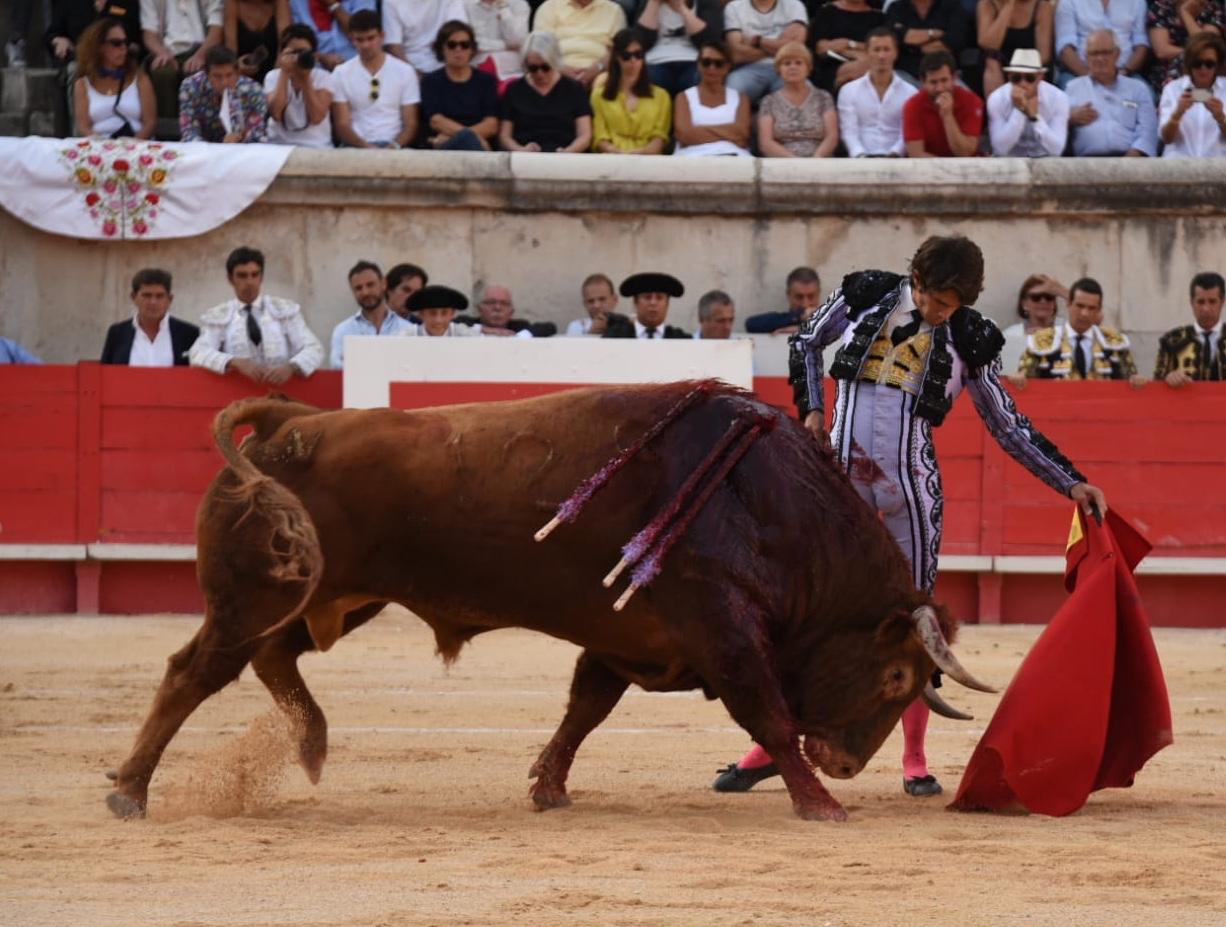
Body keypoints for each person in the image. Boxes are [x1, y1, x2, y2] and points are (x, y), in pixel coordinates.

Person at [713, 235, 1109, 797]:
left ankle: (915, 757)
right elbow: (804, 343)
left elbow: (1007, 424)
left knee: (916, 622)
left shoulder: (970, 336)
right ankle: (768, 748)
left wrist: (1069, 479)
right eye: (930, 299)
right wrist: (812, 410)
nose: (935, 312)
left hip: (912, 489)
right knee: (807, 610)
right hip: (840, 482)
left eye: (948, 305)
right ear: (915, 280)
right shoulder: (864, 293)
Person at [189, 245, 324, 383]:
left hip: (282, 393)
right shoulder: (219, 316)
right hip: (236, 395)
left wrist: (291, 367)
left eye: (255, 274)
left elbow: (314, 349)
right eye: (242, 276)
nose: (249, 282)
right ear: (230, 279)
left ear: (261, 277)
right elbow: (197, 353)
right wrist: (234, 362)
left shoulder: (285, 311)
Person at [1016, 277, 1142, 382]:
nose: (1084, 313)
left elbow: (1130, 378)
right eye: (1080, 306)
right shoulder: (1042, 340)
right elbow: (1025, 380)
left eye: (1092, 308)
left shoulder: (1115, 342)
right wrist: (1020, 379)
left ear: (1099, 310)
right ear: (1068, 304)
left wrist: (1135, 380)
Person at [331, 9, 420, 149]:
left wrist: (394, 146)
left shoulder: (405, 71)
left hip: (395, 147)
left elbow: (411, 123)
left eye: (371, 38)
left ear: (382, 36)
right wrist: (367, 148)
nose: (365, 45)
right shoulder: (341, 73)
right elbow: (341, 124)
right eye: (360, 40)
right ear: (352, 39)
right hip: (355, 147)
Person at [1065, 29, 1158, 157]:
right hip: (1086, 164)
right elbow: (1056, 127)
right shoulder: (1073, 88)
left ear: (1117, 54)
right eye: (1094, 53)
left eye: (1106, 52)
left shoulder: (1137, 88)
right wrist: (1070, 117)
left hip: (1131, 162)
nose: (1100, 58)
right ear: (1086, 57)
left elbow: (1148, 130)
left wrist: (1132, 157)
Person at [499, 31, 593, 152]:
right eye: (533, 68)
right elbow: (504, 136)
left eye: (545, 67)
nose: (540, 74)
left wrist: (568, 152)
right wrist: (521, 150)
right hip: (526, 160)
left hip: (565, 159)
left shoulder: (574, 89)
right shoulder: (514, 90)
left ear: (554, 62)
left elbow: (585, 135)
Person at [837, 27, 918, 158]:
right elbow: (849, 132)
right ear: (867, 53)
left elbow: (906, 132)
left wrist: (895, 154)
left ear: (895, 53)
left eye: (886, 49)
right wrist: (860, 156)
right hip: (859, 161)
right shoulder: (848, 91)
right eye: (876, 50)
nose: (881, 56)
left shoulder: (910, 92)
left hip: (898, 161)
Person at [420, 20, 500, 150]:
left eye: (464, 45)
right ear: (441, 48)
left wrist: (463, 137)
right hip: (449, 149)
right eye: (452, 45)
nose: (458, 49)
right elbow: (436, 121)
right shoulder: (431, 81)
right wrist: (474, 138)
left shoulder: (486, 81)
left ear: (472, 49)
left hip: (450, 139)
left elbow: (491, 125)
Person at [591, 27, 672, 153]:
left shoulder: (661, 96)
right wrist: (618, 153)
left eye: (638, 55)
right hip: (611, 160)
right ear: (617, 57)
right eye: (626, 56)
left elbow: (659, 137)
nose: (633, 60)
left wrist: (641, 153)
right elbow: (600, 137)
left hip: (649, 161)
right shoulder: (598, 96)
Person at [72, 17, 157, 139]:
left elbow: (150, 123)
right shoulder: (82, 84)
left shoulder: (140, 79)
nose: (123, 48)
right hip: (99, 145)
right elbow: (84, 127)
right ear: (99, 46)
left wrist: (132, 144)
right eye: (116, 43)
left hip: (136, 144)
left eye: (126, 43)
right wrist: (103, 144)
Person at [142, 0, 224, 122]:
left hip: (202, 49)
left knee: (198, 75)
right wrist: (162, 53)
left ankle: (199, 129)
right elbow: (149, 35)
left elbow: (216, 31)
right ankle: (166, 131)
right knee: (162, 73)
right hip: (167, 50)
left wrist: (201, 55)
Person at [101, 268, 200, 366]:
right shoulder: (117, 333)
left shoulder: (189, 334)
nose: (153, 302)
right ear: (133, 297)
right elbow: (105, 374)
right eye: (147, 295)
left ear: (170, 299)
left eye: (160, 296)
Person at [757, 42, 838, 158]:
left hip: (820, 162)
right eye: (786, 63)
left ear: (808, 68)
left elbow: (832, 137)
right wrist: (795, 162)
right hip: (783, 164)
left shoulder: (823, 97)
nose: (792, 67)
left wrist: (816, 160)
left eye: (799, 63)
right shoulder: (769, 101)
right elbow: (766, 143)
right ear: (779, 70)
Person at [672, 39, 752, 156]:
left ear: (728, 67)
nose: (712, 68)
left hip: (734, 158)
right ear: (698, 64)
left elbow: (742, 134)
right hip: (692, 160)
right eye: (706, 62)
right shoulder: (683, 97)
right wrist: (729, 132)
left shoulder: (741, 99)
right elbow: (684, 135)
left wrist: (698, 132)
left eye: (718, 63)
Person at [330, 260, 414, 368]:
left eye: (370, 285)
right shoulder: (343, 331)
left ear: (383, 284)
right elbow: (338, 371)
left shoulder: (407, 329)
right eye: (358, 288)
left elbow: (411, 369)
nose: (365, 292)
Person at [986, 47, 1068, 157]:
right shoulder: (997, 99)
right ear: (1009, 77)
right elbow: (1000, 148)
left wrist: (1035, 117)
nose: (1023, 84)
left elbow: (1057, 149)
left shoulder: (1058, 98)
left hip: (1046, 160)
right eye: (1016, 78)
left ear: (1040, 78)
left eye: (1029, 78)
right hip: (1009, 161)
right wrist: (1020, 109)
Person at [722, 0, 808, 105]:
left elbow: (795, 48)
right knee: (732, 89)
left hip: (787, 67)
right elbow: (736, 55)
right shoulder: (734, 7)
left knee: (804, 93)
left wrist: (758, 41)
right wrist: (780, 47)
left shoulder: (794, 5)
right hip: (748, 69)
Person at [264, 23, 336, 147]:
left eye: (303, 52)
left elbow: (316, 117)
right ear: (282, 53)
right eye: (294, 52)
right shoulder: (273, 76)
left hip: (317, 145)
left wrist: (306, 78)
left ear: (314, 54)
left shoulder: (323, 77)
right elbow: (276, 113)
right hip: (279, 144)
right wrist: (284, 73)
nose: (298, 56)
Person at [178, 43, 269, 141]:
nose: (224, 82)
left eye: (229, 75)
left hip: (242, 150)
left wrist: (242, 138)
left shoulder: (254, 91)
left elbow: (258, 134)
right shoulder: (191, 87)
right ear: (206, 73)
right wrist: (218, 149)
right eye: (217, 76)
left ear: (237, 73)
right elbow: (189, 131)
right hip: (204, 150)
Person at [902, 50, 984, 157]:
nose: (940, 88)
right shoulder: (912, 105)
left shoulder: (972, 101)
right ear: (923, 81)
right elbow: (916, 154)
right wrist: (946, 171)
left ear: (954, 78)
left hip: (966, 168)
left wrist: (947, 116)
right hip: (928, 168)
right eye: (933, 82)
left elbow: (965, 152)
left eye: (944, 80)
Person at [1158, 31, 1226, 158]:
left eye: (1209, 64)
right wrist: (1177, 115)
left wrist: (1221, 118)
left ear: (1217, 65)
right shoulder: (1172, 89)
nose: (1203, 69)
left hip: (1218, 170)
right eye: (1197, 63)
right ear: (1189, 64)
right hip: (1179, 169)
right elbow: (1167, 139)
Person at [636, 0, 723, 97]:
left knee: (697, 79)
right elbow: (640, 42)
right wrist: (653, 3)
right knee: (648, 78)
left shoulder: (706, 3)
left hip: (693, 60)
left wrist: (681, 8)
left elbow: (710, 41)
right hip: (655, 61)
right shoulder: (647, 2)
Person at [532, 0, 627, 88]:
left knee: (606, 82)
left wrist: (598, 67)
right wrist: (560, 68)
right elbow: (539, 47)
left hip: (600, 73)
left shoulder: (614, 11)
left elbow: (617, 50)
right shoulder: (549, 7)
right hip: (555, 70)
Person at [1153, 271, 1226, 386]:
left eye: (1212, 302)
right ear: (1192, 303)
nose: (1206, 308)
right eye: (1200, 302)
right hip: (1185, 404)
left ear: (1222, 302)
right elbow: (1156, 385)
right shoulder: (1171, 340)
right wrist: (1168, 378)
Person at [1054, 0, 1148, 89]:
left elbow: (1141, 45)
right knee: (1070, 99)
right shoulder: (1069, 1)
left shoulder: (1137, 2)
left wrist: (1125, 72)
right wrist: (1089, 77)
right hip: (1078, 74)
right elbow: (1065, 48)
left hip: (1126, 74)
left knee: (1145, 95)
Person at [1146, 0, 1226, 97]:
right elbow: (1162, 51)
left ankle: (1201, 100)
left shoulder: (1212, 7)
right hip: (1166, 74)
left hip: (1207, 72)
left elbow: (1208, 46)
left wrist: (1186, 14)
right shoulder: (1161, 6)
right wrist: (1192, 53)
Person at [977, 0, 1053, 98]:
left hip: (1030, 67)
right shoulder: (987, 4)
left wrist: (1019, 71)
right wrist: (1008, 6)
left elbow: (1044, 55)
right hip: (998, 67)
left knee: (1030, 73)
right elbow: (988, 44)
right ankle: (997, 106)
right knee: (991, 58)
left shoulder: (1042, 6)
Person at [809, 0, 885, 94]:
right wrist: (855, 51)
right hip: (831, 65)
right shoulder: (827, 12)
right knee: (858, 68)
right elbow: (821, 47)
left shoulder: (878, 17)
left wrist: (848, 44)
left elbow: (879, 46)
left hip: (868, 63)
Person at [885, 0, 970, 82]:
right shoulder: (896, 8)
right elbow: (894, 38)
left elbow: (955, 41)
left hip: (945, 76)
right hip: (905, 74)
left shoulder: (952, 6)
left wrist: (912, 47)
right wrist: (933, 33)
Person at [999, 272, 1066, 374]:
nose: (1043, 301)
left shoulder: (1067, 330)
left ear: (1054, 302)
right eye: (1036, 297)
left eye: (1049, 297)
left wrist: (1063, 292)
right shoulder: (1010, 335)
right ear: (1024, 304)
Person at [383, 0, 469, 73]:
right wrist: (412, 75)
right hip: (408, 65)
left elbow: (458, 32)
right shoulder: (391, 2)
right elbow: (393, 46)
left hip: (445, 63)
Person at [287, 0, 375, 70]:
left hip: (359, 67)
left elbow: (362, 34)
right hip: (317, 72)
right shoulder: (298, 2)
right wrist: (322, 58)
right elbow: (297, 46)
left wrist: (333, 5)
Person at [603, 272, 691, 338]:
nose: (653, 303)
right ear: (635, 302)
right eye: (647, 297)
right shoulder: (615, 337)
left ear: (667, 304)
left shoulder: (681, 339)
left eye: (659, 298)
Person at [457, 283, 558, 336]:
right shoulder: (466, 322)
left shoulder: (520, 327)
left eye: (504, 304)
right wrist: (485, 330)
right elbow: (453, 325)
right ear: (480, 309)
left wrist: (519, 337)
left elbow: (550, 327)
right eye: (491, 302)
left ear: (511, 312)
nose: (498, 308)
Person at [224, 0, 289, 82]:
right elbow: (230, 50)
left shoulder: (281, 2)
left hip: (275, 73)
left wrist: (275, 77)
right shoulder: (231, 3)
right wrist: (238, 66)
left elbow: (285, 45)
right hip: (243, 77)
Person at [743, 266, 820, 333]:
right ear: (788, 295)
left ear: (818, 294)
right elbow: (751, 324)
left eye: (811, 297)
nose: (805, 304)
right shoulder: (782, 321)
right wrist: (799, 317)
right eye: (799, 297)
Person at [465, 0, 530, 79]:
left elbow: (518, 40)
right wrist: (505, 46)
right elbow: (470, 42)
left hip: (511, 72)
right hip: (476, 68)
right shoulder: (466, 4)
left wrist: (503, 8)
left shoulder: (518, 4)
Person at [403, 285, 484, 336]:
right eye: (432, 313)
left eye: (444, 313)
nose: (438, 320)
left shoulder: (467, 336)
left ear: (452, 314)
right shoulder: (406, 337)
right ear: (421, 315)